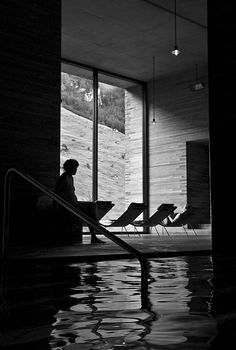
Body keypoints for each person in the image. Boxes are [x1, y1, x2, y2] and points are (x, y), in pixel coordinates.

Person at [55, 159, 105, 243]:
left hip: (74, 202)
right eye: (75, 168)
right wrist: (56, 206)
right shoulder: (63, 178)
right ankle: (94, 234)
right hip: (68, 204)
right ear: (70, 168)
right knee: (88, 212)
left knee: (92, 205)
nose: (76, 170)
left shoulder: (70, 177)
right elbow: (56, 193)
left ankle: (96, 226)